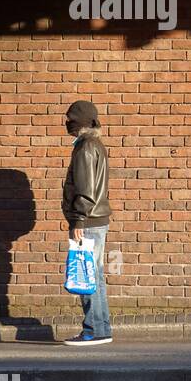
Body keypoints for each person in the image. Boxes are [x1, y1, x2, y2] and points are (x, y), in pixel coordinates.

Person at [62, 100, 113, 346]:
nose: (66, 123)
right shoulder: (96, 145)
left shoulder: (84, 147)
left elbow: (85, 189)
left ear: (79, 122)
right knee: (95, 275)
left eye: (69, 118)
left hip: (88, 220)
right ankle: (102, 328)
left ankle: (93, 330)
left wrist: (77, 220)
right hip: (98, 219)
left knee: (85, 275)